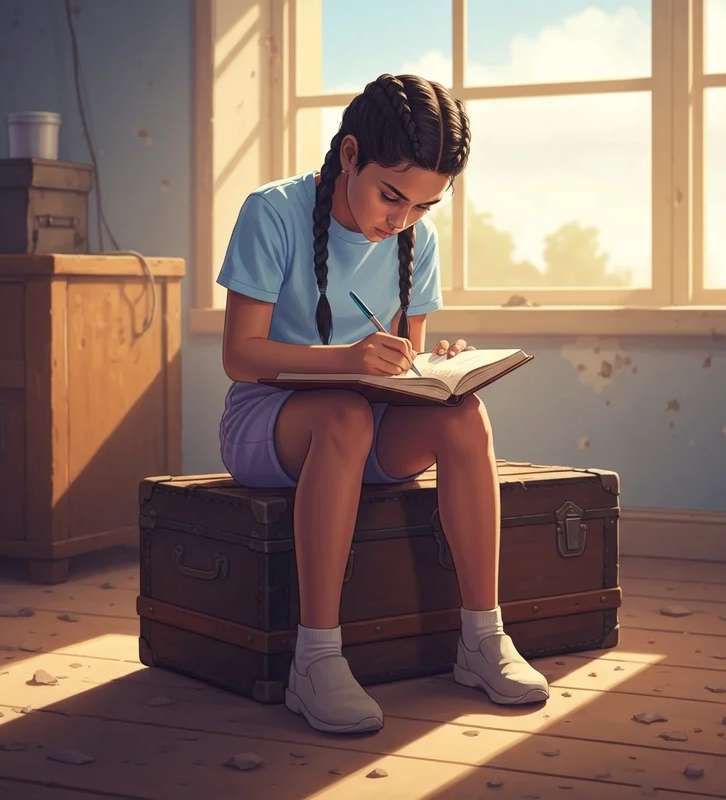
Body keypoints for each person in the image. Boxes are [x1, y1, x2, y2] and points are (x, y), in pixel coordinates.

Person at [217, 73, 549, 735]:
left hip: (368, 421)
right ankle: (314, 661)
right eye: (391, 195)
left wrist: (435, 369)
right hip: (270, 420)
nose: (401, 220)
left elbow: (404, 365)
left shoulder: (414, 242)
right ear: (348, 156)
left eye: (424, 207)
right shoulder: (272, 211)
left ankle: (481, 638)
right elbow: (240, 356)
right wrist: (344, 361)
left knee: (462, 415)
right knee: (341, 415)